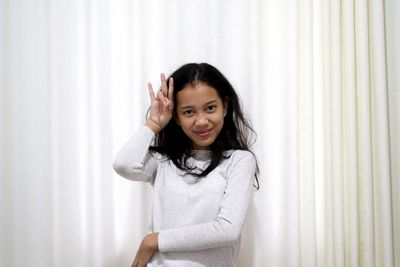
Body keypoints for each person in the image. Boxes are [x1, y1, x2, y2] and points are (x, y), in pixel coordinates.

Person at [113, 63, 259, 267]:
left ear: (224, 106)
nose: (201, 121)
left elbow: (228, 229)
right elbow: (123, 165)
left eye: (210, 108)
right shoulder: (163, 161)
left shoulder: (238, 161)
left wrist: (154, 241)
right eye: (189, 112)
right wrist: (153, 125)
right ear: (177, 118)